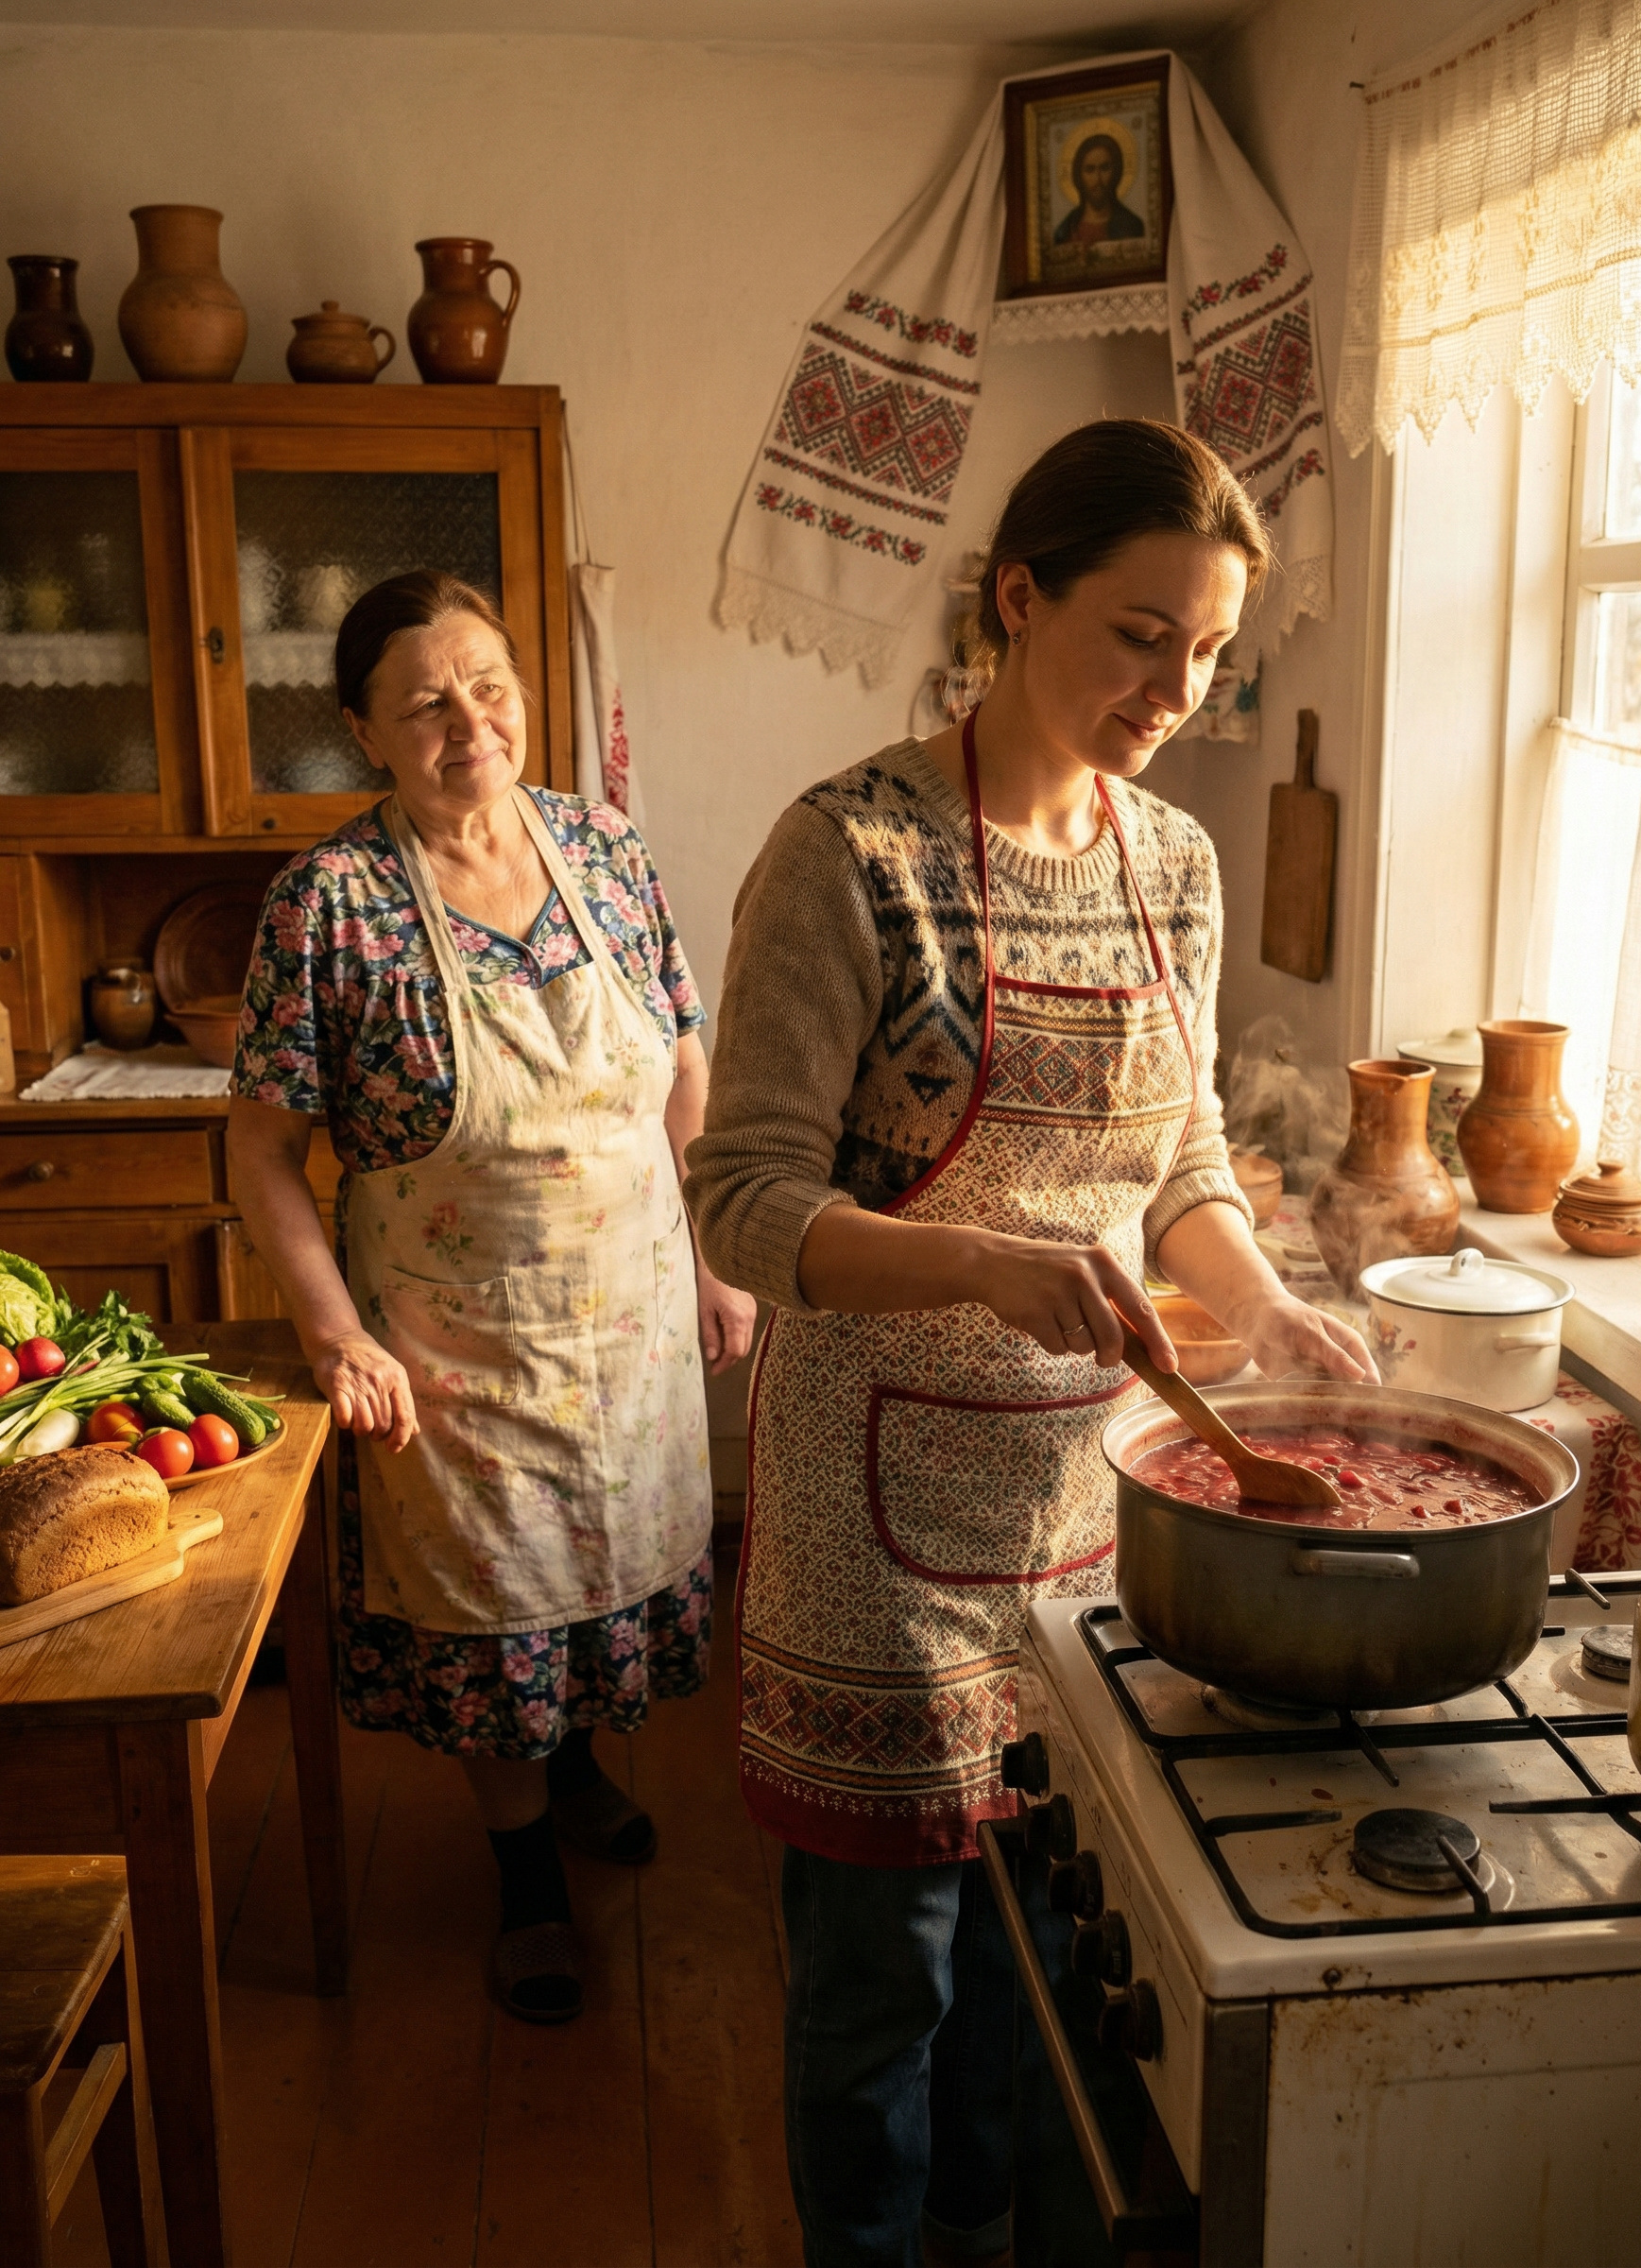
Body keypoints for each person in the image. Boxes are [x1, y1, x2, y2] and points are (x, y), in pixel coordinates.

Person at [685, 421, 1376, 2267]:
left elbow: (1180, 1170)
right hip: (870, 1536)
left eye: (1212, 651)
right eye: (1140, 634)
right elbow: (737, 1203)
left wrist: (1262, 1301)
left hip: (1093, 1519)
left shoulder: (1174, 864)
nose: (1179, 690)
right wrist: (982, 1266)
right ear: (1015, 598)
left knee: (1042, 1961)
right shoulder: (849, 856)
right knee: (878, 2000)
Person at [229, 570, 755, 2025]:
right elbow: (263, 1147)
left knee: (598, 1587)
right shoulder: (328, 905)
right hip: (458, 1345)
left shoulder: (609, 853)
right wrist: (334, 1333)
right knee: (495, 1606)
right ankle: (523, 1871)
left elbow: (689, 1061)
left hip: (631, 1320)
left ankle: (575, 1769)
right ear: (364, 731)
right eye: (423, 703)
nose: (469, 722)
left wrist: (714, 1256)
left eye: (489, 685)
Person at [1053, 129, 1145, 247]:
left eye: (1105, 168)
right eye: (1090, 170)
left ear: (1116, 172)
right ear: (1079, 176)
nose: (1098, 179)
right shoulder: (1066, 230)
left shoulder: (1132, 226)